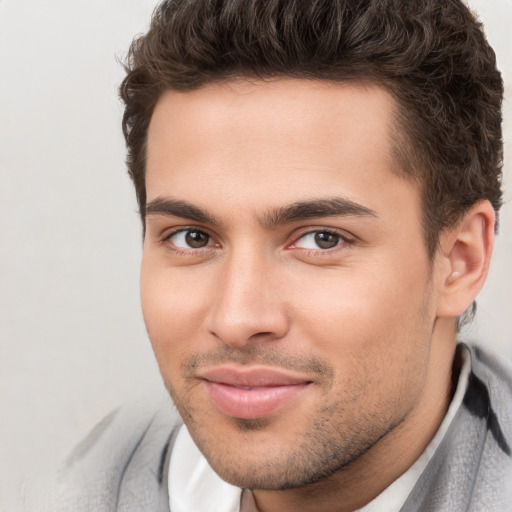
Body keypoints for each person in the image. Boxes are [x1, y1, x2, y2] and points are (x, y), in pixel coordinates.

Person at [34, 0, 511, 510]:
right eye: (192, 237)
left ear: (460, 260)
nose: (237, 319)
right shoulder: (91, 479)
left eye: (321, 239)